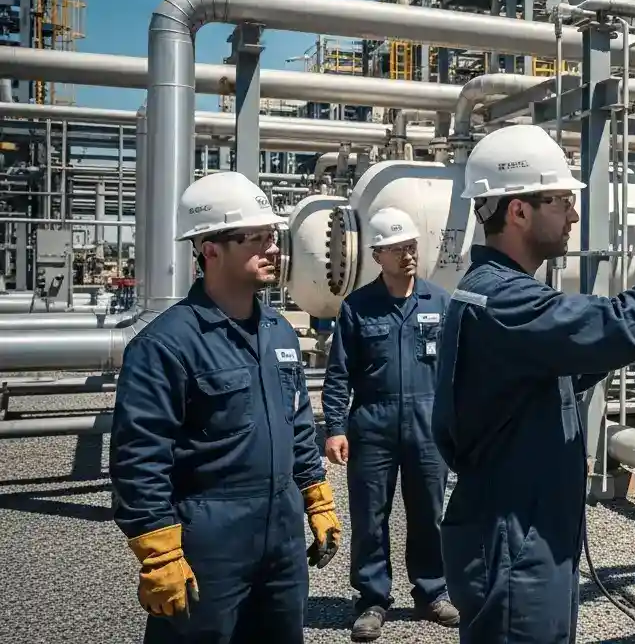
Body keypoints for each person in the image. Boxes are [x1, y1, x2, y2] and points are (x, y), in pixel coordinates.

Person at [431, 124, 635, 643]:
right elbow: (616, 326)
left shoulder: (496, 294)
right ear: (519, 211)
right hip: (515, 542)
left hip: (524, 531)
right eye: (561, 201)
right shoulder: (505, 303)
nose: (574, 214)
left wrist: (627, 334)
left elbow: (571, 361)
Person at [109, 171, 342, 643]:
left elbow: (296, 424)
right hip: (208, 543)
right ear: (209, 248)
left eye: (271, 235)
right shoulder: (166, 346)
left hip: (281, 537)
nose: (272, 248)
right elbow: (139, 457)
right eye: (254, 238)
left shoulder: (278, 333)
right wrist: (158, 550)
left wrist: (315, 496)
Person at [322, 206, 459, 641]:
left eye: (412, 246)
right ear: (377, 255)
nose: (408, 255)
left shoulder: (440, 301)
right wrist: (336, 427)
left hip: (427, 424)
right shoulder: (358, 308)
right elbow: (339, 373)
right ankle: (372, 599)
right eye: (398, 248)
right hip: (373, 424)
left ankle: (432, 592)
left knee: (429, 514)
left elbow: (459, 370)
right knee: (369, 516)